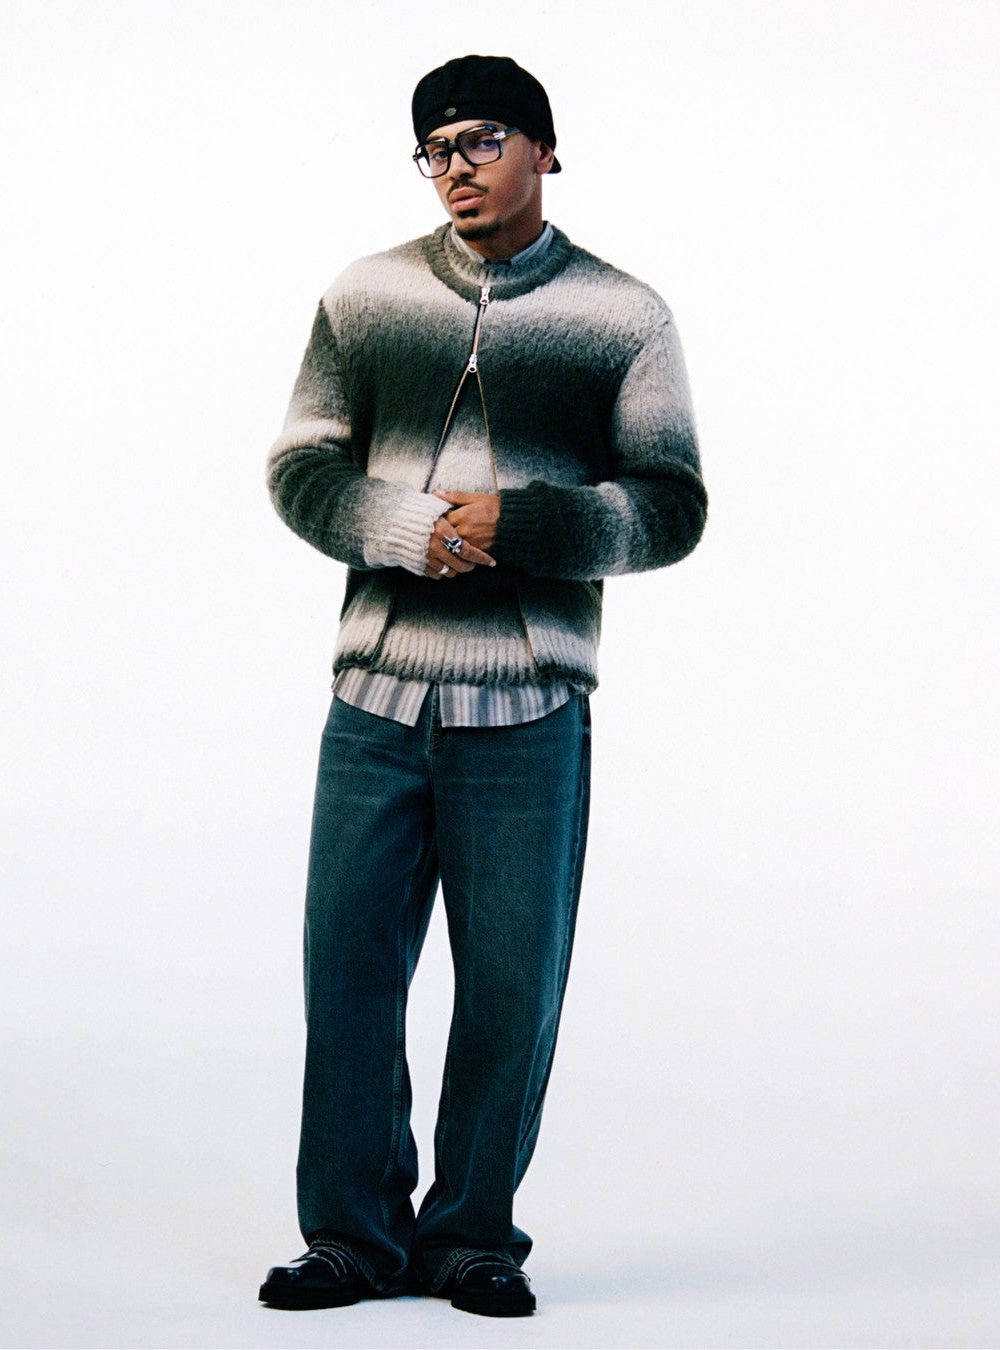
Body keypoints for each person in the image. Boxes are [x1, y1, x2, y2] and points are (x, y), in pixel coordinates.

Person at [258, 53, 707, 1319]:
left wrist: (526, 524)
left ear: (545, 150)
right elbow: (299, 466)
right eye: (437, 148)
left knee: (511, 988)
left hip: (528, 711)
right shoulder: (366, 295)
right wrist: (398, 527)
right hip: (376, 702)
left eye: (483, 140)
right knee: (350, 977)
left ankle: (470, 1240)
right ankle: (351, 1238)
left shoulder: (625, 316)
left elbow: (672, 507)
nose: (456, 167)